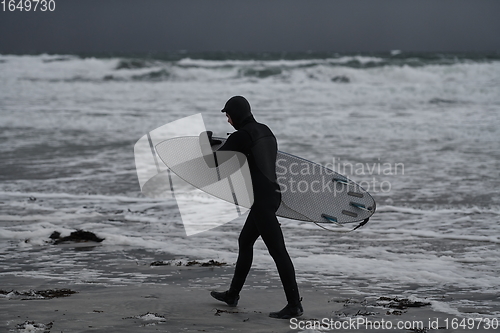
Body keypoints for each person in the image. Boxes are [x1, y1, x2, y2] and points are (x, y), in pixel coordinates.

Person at [209, 96, 303, 319]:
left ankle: (294, 305)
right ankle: (232, 295)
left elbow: (213, 163)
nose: (228, 120)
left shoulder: (243, 135)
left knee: (278, 251)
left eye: (228, 115)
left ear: (236, 114)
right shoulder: (265, 130)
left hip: (261, 201)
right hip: (272, 195)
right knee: (245, 241)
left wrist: (206, 140)